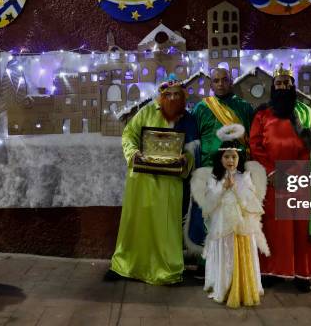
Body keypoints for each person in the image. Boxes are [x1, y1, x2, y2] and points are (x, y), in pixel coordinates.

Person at [105, 76, 197, 285]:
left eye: (176, 94)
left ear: (182, 97)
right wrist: (133, 154)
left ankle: (165, 269)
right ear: (161, 96)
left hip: (169, 183)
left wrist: (186, 160)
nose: (172, 98)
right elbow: (129, 135)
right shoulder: (146, 112)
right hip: (143, 180)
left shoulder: (188, 119)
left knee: (166, 227)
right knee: (136, 223)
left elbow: (192, 149)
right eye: (168, 94)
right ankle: (127, 265)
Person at [249, 64, 311, 293]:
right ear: (273, 87)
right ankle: (273, 270)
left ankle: (302, 273)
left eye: (287, 83)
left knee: (300, 229)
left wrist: (291, 171)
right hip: (272, 181)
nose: (283, 86)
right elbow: (255, 145)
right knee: (274, 229)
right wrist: (272, 172)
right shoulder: (262, 114)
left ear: (293, 86)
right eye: (279, 83)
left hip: (300, 180)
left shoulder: (306, 112)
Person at [190, 124, 268, 308]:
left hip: (241, 227)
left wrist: (235, 188)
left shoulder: (245, 177)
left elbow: (250, 201)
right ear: (220, 158)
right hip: (221, 226)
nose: (230, 160)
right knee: (224, 255)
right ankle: (223, 287)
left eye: (234, 156)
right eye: (227, 156)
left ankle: (242, 287)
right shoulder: (214, 179)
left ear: (239, 158)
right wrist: (223, 188)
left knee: (241, 255)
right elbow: (208, 204)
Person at [185, 68, 255, 259]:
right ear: (211, 84)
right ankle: (205, 262)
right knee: (206, 217)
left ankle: (235, 264)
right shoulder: (201, 108)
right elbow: (193, 140)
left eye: (224, 80)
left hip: (235, 171)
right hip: (208, 171)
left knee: (233, 217)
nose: (220, 84)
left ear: (231, 82)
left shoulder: (244, 107)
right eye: (216, 80)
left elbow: (252, 139)